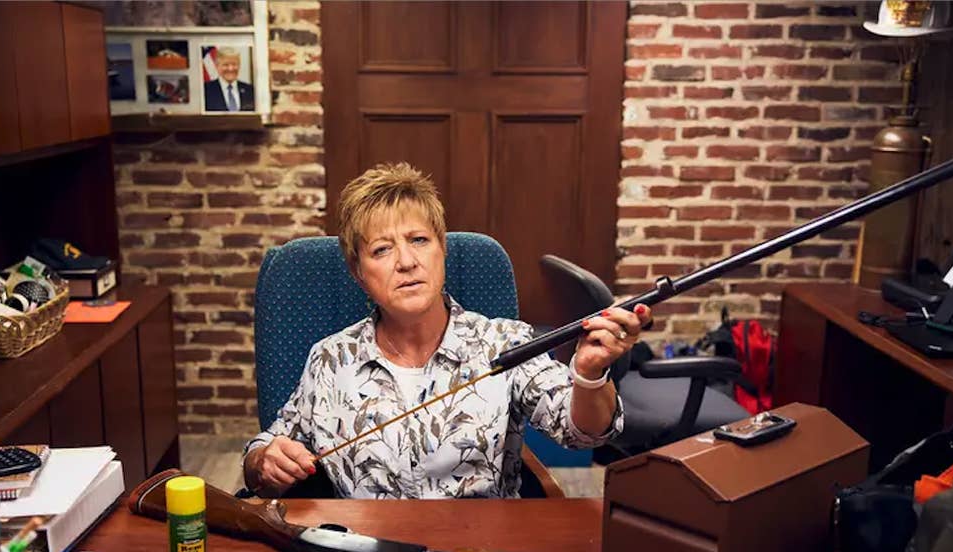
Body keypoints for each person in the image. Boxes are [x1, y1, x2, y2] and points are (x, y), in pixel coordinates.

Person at [242, 163, 652, 498]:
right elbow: (266, 449)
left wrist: (591, 373)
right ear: (358, 273)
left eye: (419, 240)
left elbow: (583, 433)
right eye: (382, 249)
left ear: (442, 250)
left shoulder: (504, 342)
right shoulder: (330, 359)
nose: (406, 261)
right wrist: (264, 461)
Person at [203, 46, 254, 112]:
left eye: (234, 64)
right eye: (226, 65)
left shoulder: (250, 90)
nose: (230, 69)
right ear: (217, 66)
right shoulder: (206, 90)